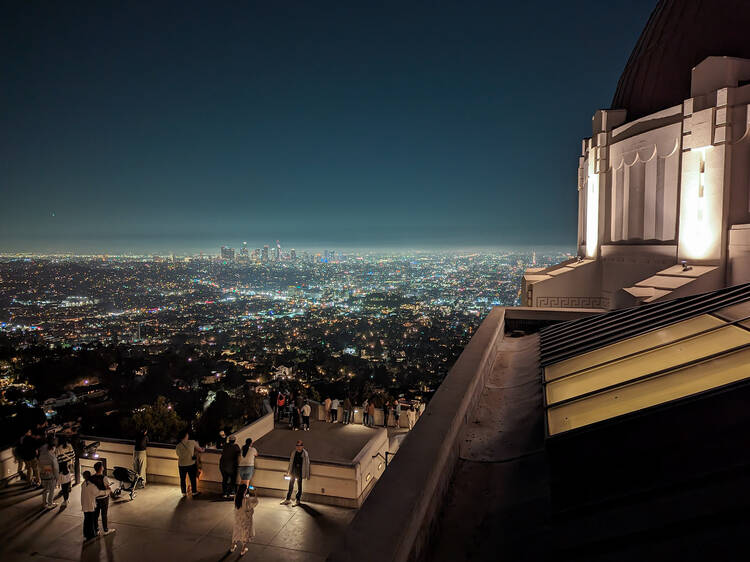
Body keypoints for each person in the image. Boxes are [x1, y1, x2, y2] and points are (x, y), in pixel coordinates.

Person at [230, 483, 259, 556]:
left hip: (238, 518)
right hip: (245, 519)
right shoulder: (247, 500)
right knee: (245, 533)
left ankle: (232, 546)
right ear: (245, 491)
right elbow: (255, 502)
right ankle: (243, 549)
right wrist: (255, 493)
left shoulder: (236, 497)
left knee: (236, 531)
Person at [176, 429, 204, 497]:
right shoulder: (192, 442)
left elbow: (178, 454)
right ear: (186, 435)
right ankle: (194, 492)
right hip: (191, 464)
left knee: (182, 479)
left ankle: (183, 492)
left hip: (181, 464)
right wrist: (203, 449)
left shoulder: (178, 445)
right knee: (192, 478)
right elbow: (200, 449)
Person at [281, 440, 310, 506]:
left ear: (302, 446)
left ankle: (297, 500)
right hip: (293, 471)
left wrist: (307, 475)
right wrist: (289, 471)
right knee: (291, 485)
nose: (298, 447)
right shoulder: (294, 452)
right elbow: (291, 462)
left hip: (300, 472)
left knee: (299, 486)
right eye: (297, 445)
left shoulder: (305, 453)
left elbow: (307, 464)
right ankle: (288, 499)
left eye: (300, 445)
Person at [90, 462, 115, 535]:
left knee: (96, 514)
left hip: (95, 498)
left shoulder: (92, 477)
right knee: (104, 514)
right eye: (102, 466)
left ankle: (96, 529)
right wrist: (111, 493)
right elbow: (107, 487)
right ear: (101, 468)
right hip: (104, 498)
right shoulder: (104, 478)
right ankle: (105, 530)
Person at [38, 435, 59, 508]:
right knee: (51, 490)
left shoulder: (42, 450)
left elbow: (40, 463)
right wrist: (57, 477)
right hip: (51, 475)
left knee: (45, 489)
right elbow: (55, 467)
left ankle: (44, 503)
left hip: (43, 473)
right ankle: (50, 503)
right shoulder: (52, 456)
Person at [81, 471, 99, 541]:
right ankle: (92, 534)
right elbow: (97, 493)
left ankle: (86, 534)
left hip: (85, 505)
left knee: (86, 520)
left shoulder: (83, 484)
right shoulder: (92, 486)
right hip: (91, 505)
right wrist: (107, 491)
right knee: (91, 520)